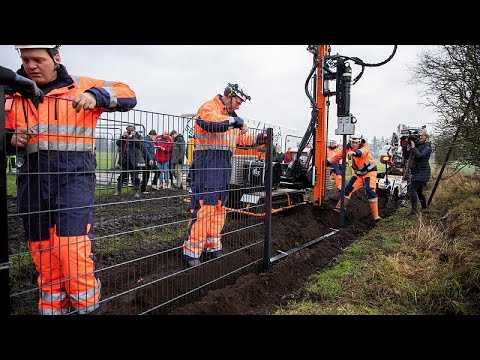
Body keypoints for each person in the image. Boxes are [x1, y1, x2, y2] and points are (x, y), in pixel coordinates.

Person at [4, 45, 137, 315]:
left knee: (71, 248)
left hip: (73, 176)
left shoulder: (80, 85)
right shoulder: (11, 92)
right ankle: (52, 308)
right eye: (25, 59)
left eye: (38, 59)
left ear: (56, 58)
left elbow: (128, 93)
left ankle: (87, 307)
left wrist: (95, 95)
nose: (31, 66)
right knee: (42, 251)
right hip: (32, 177)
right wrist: (9, 140)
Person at [183, 80, 266, 267]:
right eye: (238, 101)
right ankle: (192, 252)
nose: (239, 105)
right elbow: (209, 122)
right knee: (205, 206)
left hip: (222, 165)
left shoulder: (230, 118)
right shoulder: (210, 108)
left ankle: (212, 246)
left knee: (220, 207)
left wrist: (260, 138)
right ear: (229, 95)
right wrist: (236, 121)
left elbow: (241, 140)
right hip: (207, 163)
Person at [327, 134, 382, 222]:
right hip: (359, 174)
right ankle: (339, 208)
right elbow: (336, 156)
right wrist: (326, 162)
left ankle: (376, 217)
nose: (354, 144)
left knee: (370, 191)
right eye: (352, 142)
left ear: (359, 142)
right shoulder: (347, 148)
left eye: (356, 142)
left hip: (369, 172)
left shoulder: (365, 147)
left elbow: (362, 152)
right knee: (348, 189)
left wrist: (355, 152)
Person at [406, 129, 431, 215]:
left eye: (422, 136)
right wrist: (409, 148)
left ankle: (414, 210)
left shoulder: (427, 147)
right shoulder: (419, 145)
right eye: (419, 136)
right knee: (419, 191)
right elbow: (408, 156)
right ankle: (424, 208)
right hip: (417, 172)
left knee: (412, 189)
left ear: (426, 137)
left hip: (423, 172)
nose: (420, 137)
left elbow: (420, 156)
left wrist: (413, 147)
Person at [115, 125, 144, 198]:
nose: (130, 132)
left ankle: (136, 191)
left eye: (131, 131)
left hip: (135, 160)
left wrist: (132, 138)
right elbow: (118, 143)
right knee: (122, 176)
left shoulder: (139, 137)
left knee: (135, 177)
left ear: (134, 131)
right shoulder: (125, 137)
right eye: (129, 131)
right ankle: (118, 190)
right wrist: (123, 137)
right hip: (125, 160)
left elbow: (140, 145)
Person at [141, 129, 157, 193]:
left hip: (150, 160)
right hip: (147, 160)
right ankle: (143, 189)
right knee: (146, 174)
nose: (155, 138)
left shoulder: (149, 140)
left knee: (156, 171)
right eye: (155, 136)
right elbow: (146, 150)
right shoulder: (146, 140)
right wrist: (150, 159)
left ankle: (153, 184)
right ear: (152, 135)